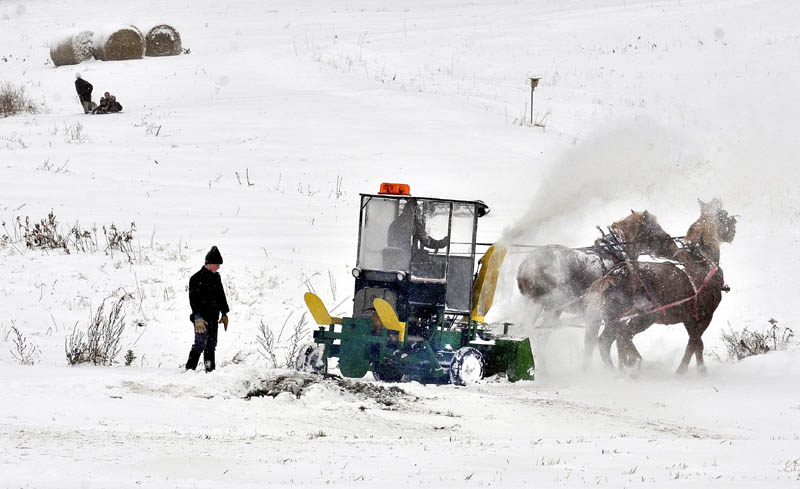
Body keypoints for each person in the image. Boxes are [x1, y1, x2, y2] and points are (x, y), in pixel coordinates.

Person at [185, 246, 230, 372]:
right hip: (201, 319)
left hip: (213, 317)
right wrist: (197, 316)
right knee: (199, 344)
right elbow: (193, 300)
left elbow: (221, 295)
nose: (218, 267)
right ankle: (189, 370)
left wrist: (224, 313)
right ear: (209, 263)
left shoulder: (216, 277)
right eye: (217, 264)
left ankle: (210, 371)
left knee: (211, 345)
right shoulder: (195, 279)